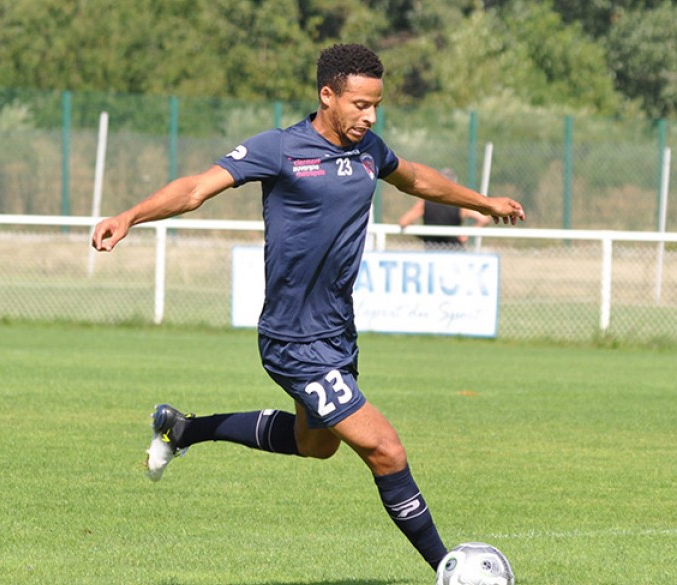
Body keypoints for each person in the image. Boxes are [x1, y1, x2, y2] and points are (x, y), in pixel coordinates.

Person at [91, 44, 524, 573]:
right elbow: (196, 189)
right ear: (327, 95)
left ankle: (183, 430)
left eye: (376, 106)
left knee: (315, 446)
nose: (368, 116)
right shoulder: (280, 148)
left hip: (337, 333)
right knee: (385, 449)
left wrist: (484, 203)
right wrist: (130, 216)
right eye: (359, 104)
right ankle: (448, 569)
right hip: (293, 339)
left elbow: (414, 178)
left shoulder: (370, 151)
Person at [396, 167, 491, 250]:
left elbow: (403, 222)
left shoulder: (424, 203)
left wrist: (424, 234)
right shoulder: (460, 204)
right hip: (455, 252)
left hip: (432, 253)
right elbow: (484, 219)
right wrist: (466, 235)